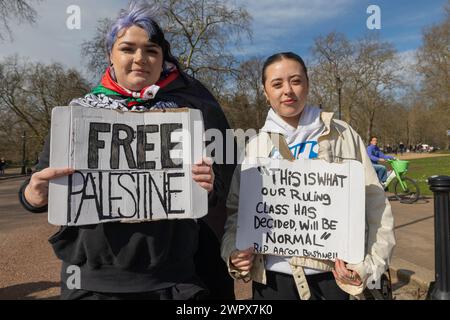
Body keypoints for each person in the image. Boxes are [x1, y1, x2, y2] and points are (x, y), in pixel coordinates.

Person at [18, 0, 235, 300]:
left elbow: (214, 192)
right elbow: (34, 193)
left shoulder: (189, 116)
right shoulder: (77, 114)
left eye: (151, 50)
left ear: (162, 60)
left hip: (174, 280)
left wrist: (207, 187)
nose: (140, 58)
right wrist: (34, 194)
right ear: (110, 55)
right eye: (128, 48)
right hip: (91, 282)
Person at [221, 52, 395, 300]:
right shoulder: (255, 147)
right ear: (265, 91)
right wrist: (233, 253)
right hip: (272, 283)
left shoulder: (343, 135)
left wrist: (368, 267)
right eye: (277, 84)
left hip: (335, 282)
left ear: (307, 84)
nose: (288, 91)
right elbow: (236, 214)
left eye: (296, 81)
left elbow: (376, 205)